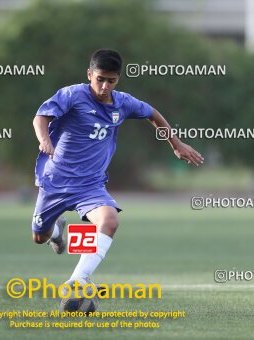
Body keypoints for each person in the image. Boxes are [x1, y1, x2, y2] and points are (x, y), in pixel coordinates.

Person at [31, 49, 204, 287]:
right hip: (56, 182)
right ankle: (58, 233)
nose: (104, 86)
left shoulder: (123, 103)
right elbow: (41, 117)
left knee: (109, 220)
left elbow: (152, 114)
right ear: (89, 74)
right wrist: (44, 139)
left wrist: (176, 143)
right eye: (99, 79)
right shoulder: (72, 95)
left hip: (90, 185)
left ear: (118, 79)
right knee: (39, 237)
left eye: (110, 81)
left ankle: (77, 282)